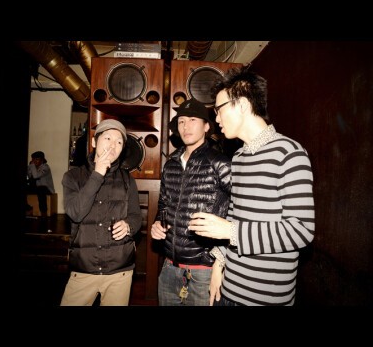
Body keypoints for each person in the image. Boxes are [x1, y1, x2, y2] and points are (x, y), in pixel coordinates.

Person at [189, 67, 315, 306]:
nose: (216, 119)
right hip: (229, 291)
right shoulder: (239, 157)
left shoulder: (289, 153)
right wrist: (219, 263)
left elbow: (301, 230)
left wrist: (231, 231)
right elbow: (234, 214)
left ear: (243, 105)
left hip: (264, 299)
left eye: (219, 109)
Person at [151, 99, 232, 306]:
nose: (186, 126)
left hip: (204, 272)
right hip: (169, 267)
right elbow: (163, 206)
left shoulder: (220, 163)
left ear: (206, 126)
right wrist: (157, 224)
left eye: (193, 120)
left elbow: (240, 209)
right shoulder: (170, 164)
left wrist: (221, 262)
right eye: (181, 121)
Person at [60, 119, 142, 306]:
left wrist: (128, 225)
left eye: (119, 142)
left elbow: (136, 217)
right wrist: (97, 174)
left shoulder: (127, 179)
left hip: (119, 271)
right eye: (108, 138)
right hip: (84, 269)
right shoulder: (73, 176)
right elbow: (75, 213)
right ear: (94, 141)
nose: (113, 145)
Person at [26, 151, 55, 217]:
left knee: (41, 189)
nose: (34, 161)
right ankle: (28, 208)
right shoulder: (32, 167)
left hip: (47, 189)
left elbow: (36, 176)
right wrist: (30, 167)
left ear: (42, 160)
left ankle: (43, 212)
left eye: (37, 159)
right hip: (37, 188)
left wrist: (32, 165)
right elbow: (30, 177)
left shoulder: (45, 167)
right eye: (33, 159)